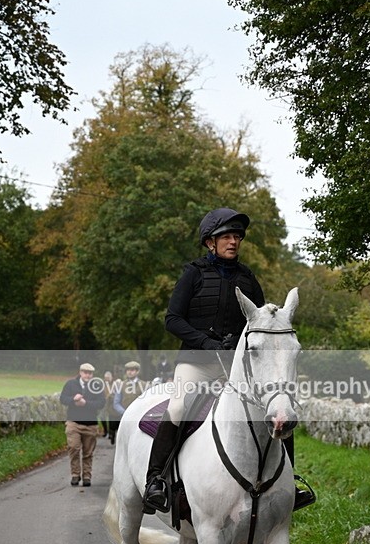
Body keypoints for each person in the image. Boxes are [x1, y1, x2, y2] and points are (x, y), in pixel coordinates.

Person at [143, 206, 315, 513]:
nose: (233, 241)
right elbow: (173, 319)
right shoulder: (193, 274)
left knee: (277, 407)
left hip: (237, 367)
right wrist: (207, 342)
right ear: (210, 241)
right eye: (226, 236)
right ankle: (155, 480)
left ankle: (291, 480)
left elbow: (261, 324)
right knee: (180, 405)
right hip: (196, 362)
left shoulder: (248, 279)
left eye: (237, 236)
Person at [59, 362, 105, 487]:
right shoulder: (71, 384)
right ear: (80, 372)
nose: (88, 375)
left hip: (90, 424)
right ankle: (75, 474)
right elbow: (63, 398)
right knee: (73, 448)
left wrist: (86, 403)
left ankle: (86, 476)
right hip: (73, 422)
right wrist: (73, 400)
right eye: (85, 372)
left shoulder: (97, 386)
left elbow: (101, 403)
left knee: (88, 452)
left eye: (90, 373)